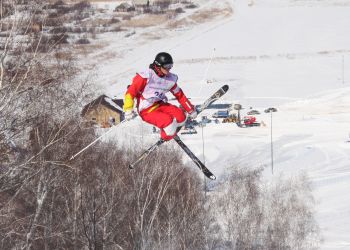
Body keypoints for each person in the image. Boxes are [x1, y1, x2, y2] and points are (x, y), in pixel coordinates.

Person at [123, 52, 197, 141]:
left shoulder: (170, 79)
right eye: (166, 66)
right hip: (147, 110)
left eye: (171, 66)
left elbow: (180, 95)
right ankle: (166, 135)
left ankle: (171, 129)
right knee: (168, 122)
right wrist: (128, 109)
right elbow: (130, 92)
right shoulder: (145, 76)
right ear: (158, 65)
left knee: (181, 118)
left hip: (160, 104)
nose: (169, 69)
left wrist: (190, 109)